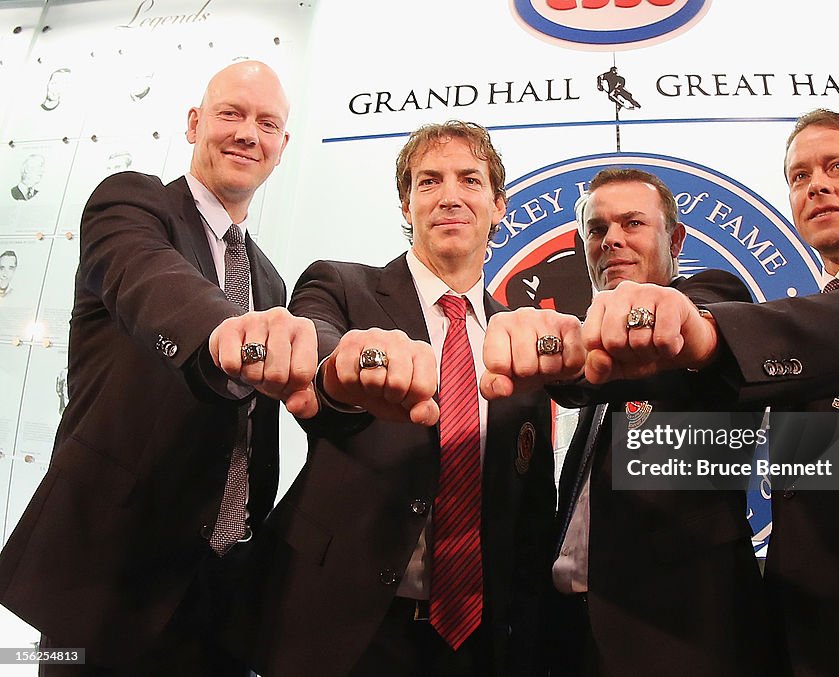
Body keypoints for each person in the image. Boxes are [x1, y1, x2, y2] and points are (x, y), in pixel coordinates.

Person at [567, 110, 839, 674]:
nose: (816, 184)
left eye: (837, 167)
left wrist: (711, 332)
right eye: (799, 177)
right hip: (800, 637)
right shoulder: (796, 329)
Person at [0, 60, 318, 676]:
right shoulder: (132, 203)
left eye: (267, 123)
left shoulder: (272, 280)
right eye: (231, 114)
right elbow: (149, 278)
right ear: (195, 123)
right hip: (106, 577)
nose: (248, 133)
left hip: (219, 587)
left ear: (282, 147)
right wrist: (224, 330)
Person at [228, 120, 556, 676]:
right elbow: (321, 355)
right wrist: (348, 369)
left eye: (469, 181)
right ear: (406, 205)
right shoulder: (341, 286)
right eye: (429, 182)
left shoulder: (520, 336)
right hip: (342, 630)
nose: (450, 196)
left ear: (499, 205)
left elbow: (528, 506)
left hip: (480, 642)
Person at [481, 168, 770, 676]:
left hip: (681, 634)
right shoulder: (596, 342)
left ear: (674, 239)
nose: (611, 238)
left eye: (633, 223)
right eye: (597, 229)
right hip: (568, 635)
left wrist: (555, 350)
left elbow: (683, 322)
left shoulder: (712, 301)